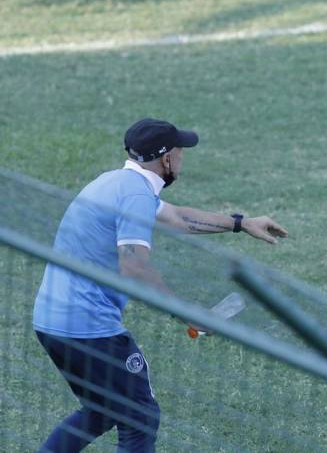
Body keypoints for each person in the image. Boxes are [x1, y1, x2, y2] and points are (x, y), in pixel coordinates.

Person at [32, 118, 288, 452]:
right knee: (140, 417)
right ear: (166, 158)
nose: (183, 158)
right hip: (88, 328)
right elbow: (134, 268)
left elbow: (178, 218)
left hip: (51, 321)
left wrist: (241, 223)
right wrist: (189, 315)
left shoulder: (116, 183)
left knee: (102, 409)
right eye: (181, 151)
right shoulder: (135, 195)